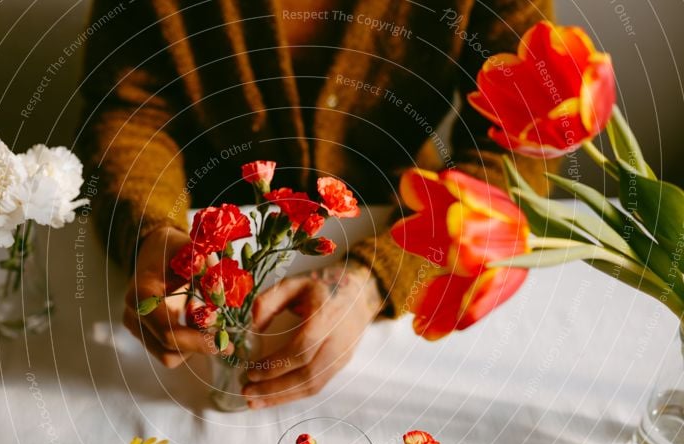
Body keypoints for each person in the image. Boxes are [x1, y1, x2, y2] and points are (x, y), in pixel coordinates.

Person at [78, 0, 552, 408]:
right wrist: (149, 228)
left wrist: (377, 278)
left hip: (396, 225)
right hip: (206, 231)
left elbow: (515, 154)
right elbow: (129, 113)